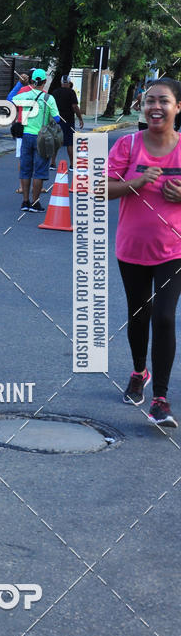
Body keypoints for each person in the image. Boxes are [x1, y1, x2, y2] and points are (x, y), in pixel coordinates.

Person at [107, 77, 181, 428]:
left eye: (164, 100)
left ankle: (161, 400)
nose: (155, 106)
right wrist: (134, 183)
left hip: (174, 250)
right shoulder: (128, 144)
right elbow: (99, 188)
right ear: (141, 106)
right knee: (139, 315)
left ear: (177, 107)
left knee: (164, 316)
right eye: (149, 100)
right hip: (132, 249)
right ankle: (139, 371)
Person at [12, 68, 61, 212]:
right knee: (39, 171)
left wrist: (20, 84)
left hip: (26, 136)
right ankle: (35, 203)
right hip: (42, 137)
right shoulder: (48, 98)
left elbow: (11, 99)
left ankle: (25, 202)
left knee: (26, 169)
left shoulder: (25, 95)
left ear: (32, 81)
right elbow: (57, 118)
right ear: (45, 82)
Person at [50, 75, 84, 169]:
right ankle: (72, 165)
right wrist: (80, 118)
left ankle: (52, 163)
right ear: (69, 83)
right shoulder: (71, 92)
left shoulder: (55, 92)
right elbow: (75, 106)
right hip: (69, 121)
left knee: (56, 142)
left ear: (61, 83)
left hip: (57, 120)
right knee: (70, 143)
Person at [7, 72, 30, 193]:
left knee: (22, 159)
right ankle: (38, 186)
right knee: (38, 159)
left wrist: (19, 84)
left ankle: (22, 187)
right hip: (37, 131)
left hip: (22, 129)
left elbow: (9, 99)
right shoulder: (45, 95)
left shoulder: (22, 92)